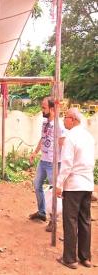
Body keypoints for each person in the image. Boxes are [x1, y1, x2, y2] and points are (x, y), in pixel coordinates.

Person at [55, 108, 95, 269]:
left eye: (65, 117)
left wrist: (59, 184)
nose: (64, 120)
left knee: (70, 221)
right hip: (87, 184)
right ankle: (85, 258)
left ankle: (70, 258)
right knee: (85, 220)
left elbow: (66, 164)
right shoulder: (88, 136)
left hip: (73, 185)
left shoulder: (70, 137)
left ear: (73, 119)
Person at [28, 97, 66, 231]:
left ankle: (53, 220)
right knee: (37, 185)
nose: (41, 109)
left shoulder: (59, 125)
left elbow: (63, 145)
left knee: (53, 191)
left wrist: (62, 164)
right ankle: (42, 212)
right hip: (43, 161)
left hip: (53, 163)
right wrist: (35, 152)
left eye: (44, 107)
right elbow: (43, 139)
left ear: (52, 109)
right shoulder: (44, 122)